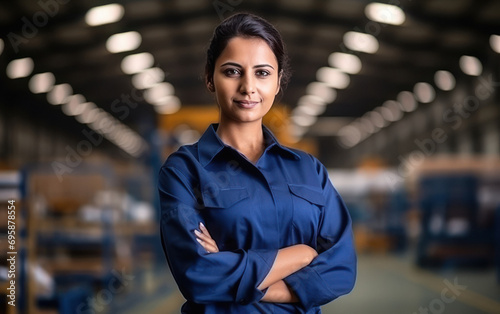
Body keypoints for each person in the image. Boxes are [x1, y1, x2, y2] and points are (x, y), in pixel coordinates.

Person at [158, 13, 356, 313]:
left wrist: (232, 269)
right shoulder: (184, 171)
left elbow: (341, 270)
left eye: (262, 73)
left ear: (279, 82)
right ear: (210, 79)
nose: (248, 87)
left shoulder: (309, 170)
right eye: (232, 71)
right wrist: (302, 254)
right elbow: (198, 275)